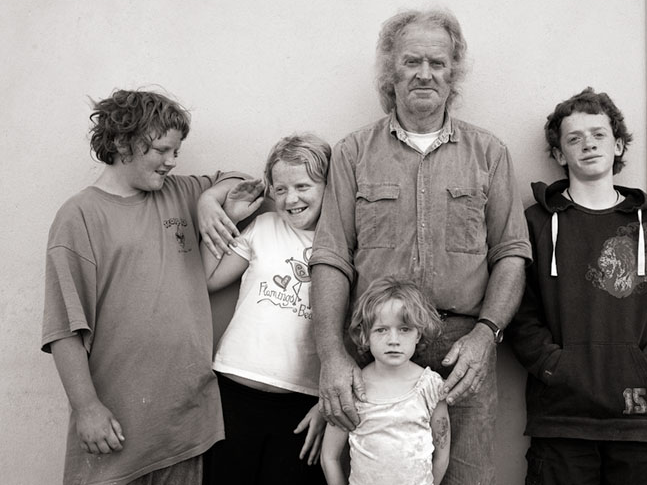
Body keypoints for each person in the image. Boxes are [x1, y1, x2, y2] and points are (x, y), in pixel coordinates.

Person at [309, 7, 531, 484]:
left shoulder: (488, 153)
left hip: (462, 352)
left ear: (454, 73)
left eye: (437, 62)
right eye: (411, 62)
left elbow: (511, 254)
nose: (425, 73)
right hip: (372, 349)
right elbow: (330, 258)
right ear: (392, 72)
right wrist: (331, 354)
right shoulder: (352, 152)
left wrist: (485, 336)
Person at [41, 89, 246, 485]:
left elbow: (243, 182)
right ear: (121, 142)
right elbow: (66, 326)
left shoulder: (181, 193)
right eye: (162, 150)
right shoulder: (79, 216)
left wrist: (208, 200)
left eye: (176, 153)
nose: (171, 162)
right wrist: (86, 407)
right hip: (115, 429)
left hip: (184, 425)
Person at [507, 87, 647, 485]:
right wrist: (556, 367)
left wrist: (645, 368)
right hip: (561, 421)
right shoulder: (536, 224)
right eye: (574, 138)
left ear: (619, 144)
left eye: (598, 134)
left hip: (639, 422)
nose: (587, 144)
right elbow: (520, 312)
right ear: (559, 154)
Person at [200, 134, 330, 485]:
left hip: (302, 406)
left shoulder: (344, 245)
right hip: (233, 394)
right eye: (281, 188)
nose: (292, 198)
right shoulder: (264, 227)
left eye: (303, 185)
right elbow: (207, 279)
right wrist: (226, 216)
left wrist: (328, 405)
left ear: (328, 185)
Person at [320, 277, 450, 485]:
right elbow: (330, 456)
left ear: (418, 334)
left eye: (404, 329)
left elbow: (442, 454)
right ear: (365, 335)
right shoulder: (351, 389)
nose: (393, 340)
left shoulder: (431, 386)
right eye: (381, 329)